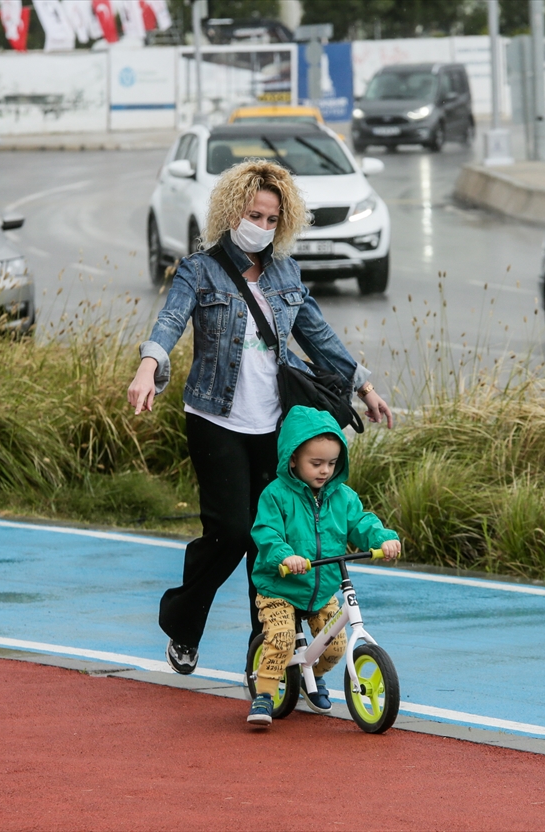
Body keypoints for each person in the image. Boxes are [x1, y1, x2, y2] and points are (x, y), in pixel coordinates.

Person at [126, 160, 394, 676]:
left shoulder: (285, 273)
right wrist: (148, 366)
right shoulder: (198, 270)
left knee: (270, 537)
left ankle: (265, 652)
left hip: (274, 425)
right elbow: (170, 322)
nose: (263, 227)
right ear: (232, 211)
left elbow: (317, 336)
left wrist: (364, 386)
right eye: (255, 215)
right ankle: (183, 621)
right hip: (215, 419)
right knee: (229, 531)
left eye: (273, 219)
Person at [246, 406, 401, 727]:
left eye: (332, 463)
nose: (324, 471)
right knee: (281, 639)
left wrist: (383, 539)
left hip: (323, 586)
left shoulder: (342, 497)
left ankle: (308, 676)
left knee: (335, 648)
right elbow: (267, 532)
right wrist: (285, 555)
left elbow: (361, 522)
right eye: (315, 463)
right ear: (292, 460)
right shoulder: (276, 496)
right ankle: (264, 693)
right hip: (280, 587)